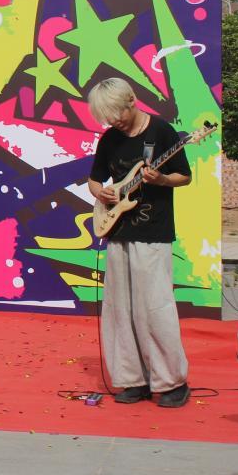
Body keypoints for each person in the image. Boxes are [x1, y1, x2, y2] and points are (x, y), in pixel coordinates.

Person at [86, 78, 192, 407]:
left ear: (131, 100)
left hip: (153, 232)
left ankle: (172, 382)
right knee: (120, 308)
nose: (113, 121)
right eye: (106, 117)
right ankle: (133, 380)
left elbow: (184, 176)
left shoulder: (161, 132)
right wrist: (101, 193)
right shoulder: (109, 139)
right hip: (118, 231)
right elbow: (94, 179)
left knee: (155, 307)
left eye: (116, 113)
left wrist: (161, 179)